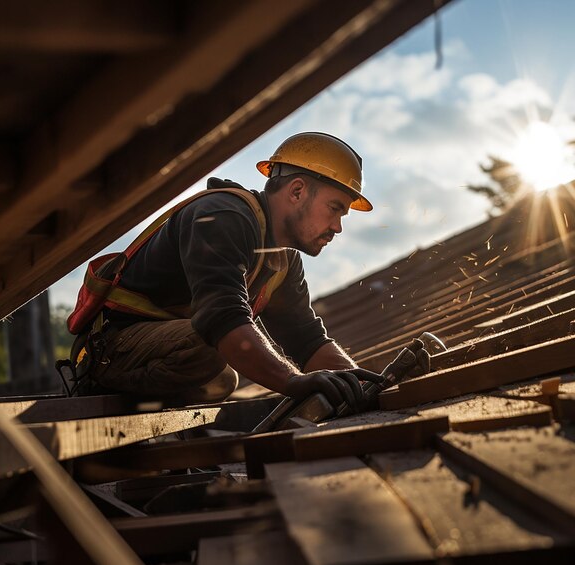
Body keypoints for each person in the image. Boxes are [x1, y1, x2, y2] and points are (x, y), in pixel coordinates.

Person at [72, 132, 383, 410]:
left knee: (222, 380)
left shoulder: (283, 261)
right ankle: (105, 395)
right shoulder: (222, 216)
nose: (338, 227)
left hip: (166, 349)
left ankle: (158, 424)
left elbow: (307, 340)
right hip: (110, 349)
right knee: (210, 349)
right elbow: (223, 318)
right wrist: (291, 382)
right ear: (297, 191)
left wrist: (360, 385)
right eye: (335, 208)